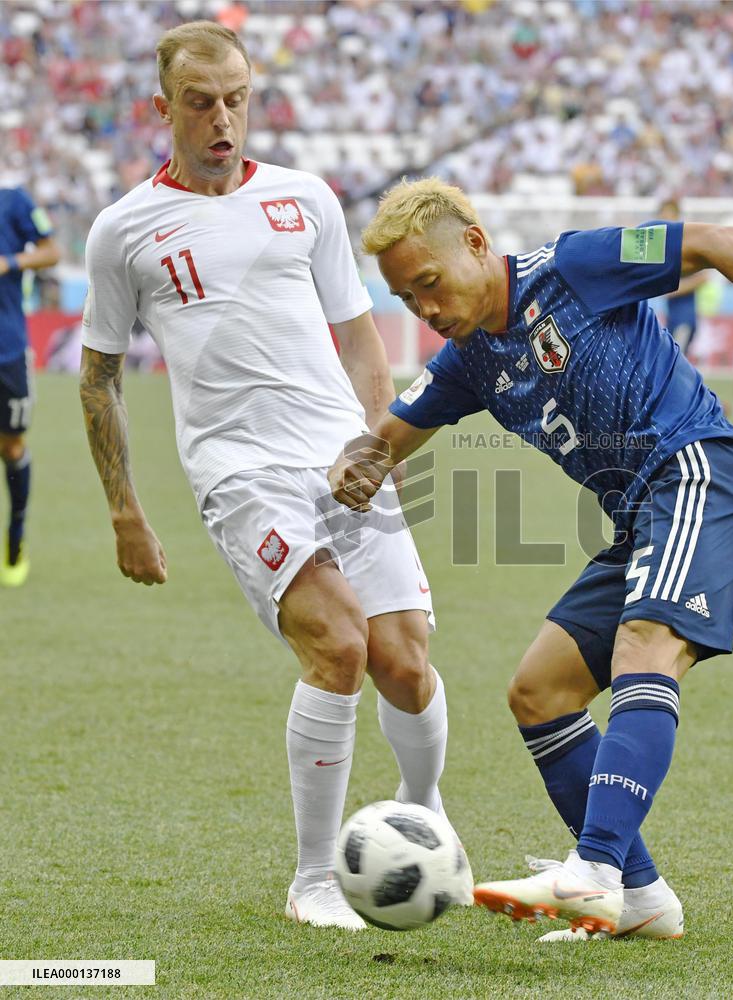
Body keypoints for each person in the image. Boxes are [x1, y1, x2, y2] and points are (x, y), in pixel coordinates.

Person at [327, 178, 733, 941]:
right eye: (407, 298)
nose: (425, 308)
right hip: (640, 518)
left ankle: (594, 869)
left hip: (700, 473)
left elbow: (720, 242)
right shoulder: (467, 361)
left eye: (429, 282)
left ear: (476, 245)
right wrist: (352, 467)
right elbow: (388, 436)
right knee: (540, 691)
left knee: (644, 645)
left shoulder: (574, 267)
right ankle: (642, 898)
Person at [79, 22, 464, 932]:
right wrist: (125, 512)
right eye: (201, 102)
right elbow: (98, 378)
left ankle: (424, 811)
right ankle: (313, 880)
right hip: (239, 471)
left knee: (405, 662)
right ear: (162, 107)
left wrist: (378, 446)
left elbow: (359, 335)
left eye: (237, 99)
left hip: (342, 458)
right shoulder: (124, 230)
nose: (223, 118)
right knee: (339, 645)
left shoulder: (306, 199)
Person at [0, 187, 60, 587]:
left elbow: (51, 251)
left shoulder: (13, 202)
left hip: (7, 351)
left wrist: (10, 262)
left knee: (12, 447)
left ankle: (16, 536)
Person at [656, 197, 708, 356]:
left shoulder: (686, 244)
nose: (665, 219)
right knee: (672, 360)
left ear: (677, 217)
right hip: (672, 318)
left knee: (676, 360)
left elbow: (703, 277)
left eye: (669, 215)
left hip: (685, 318)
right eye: (662, 215)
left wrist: (674, 289)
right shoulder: (663, 249)